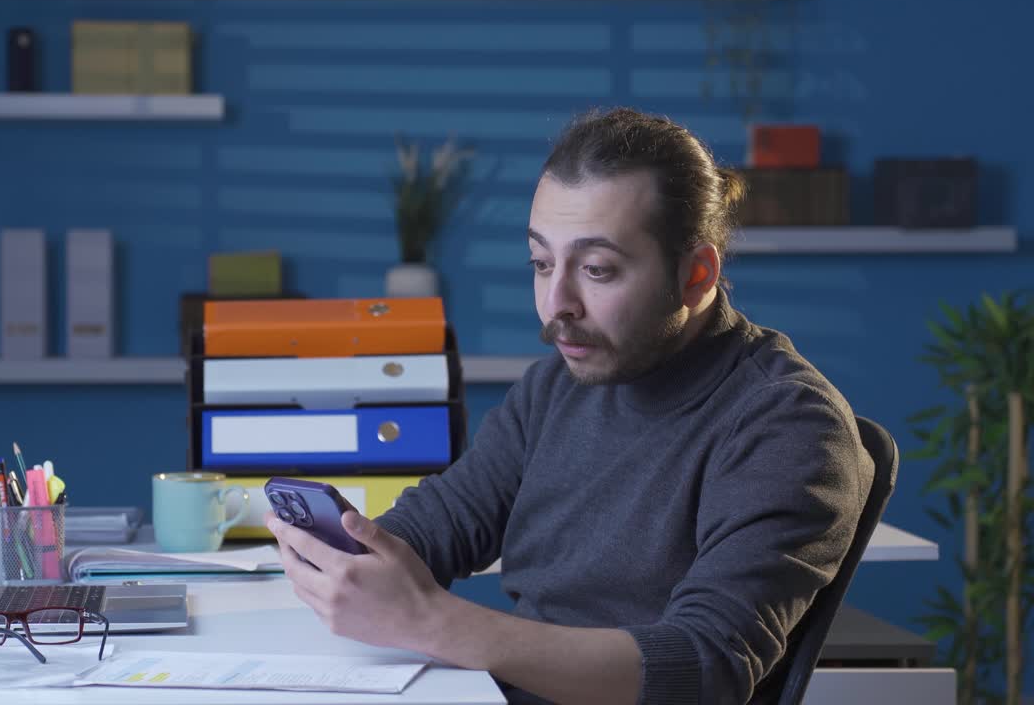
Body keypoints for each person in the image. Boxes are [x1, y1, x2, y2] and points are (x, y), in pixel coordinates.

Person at [264, 107, 874, 705]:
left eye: (598, 269)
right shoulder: (555, 387)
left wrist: (430, 621)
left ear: (695, 276)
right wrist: (347, 553)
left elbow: (701, 668)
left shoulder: (790, 427)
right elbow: (442, 524)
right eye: (541, 262)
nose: (557, 303)